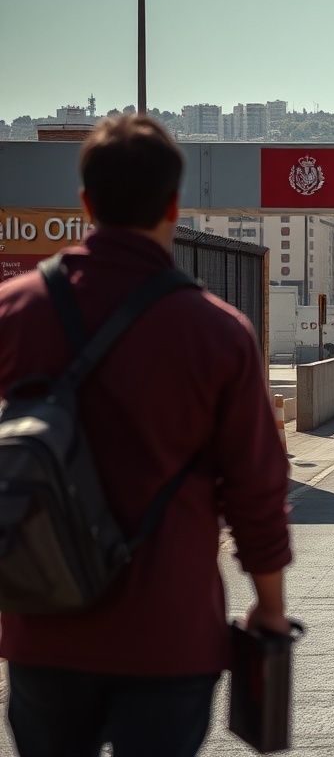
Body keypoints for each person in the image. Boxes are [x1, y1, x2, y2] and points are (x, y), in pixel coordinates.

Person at [0, 114, 292, 756]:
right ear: (173, 206)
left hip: (42, 628)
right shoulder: (217, 331)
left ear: (86, 203)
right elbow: (255, 488)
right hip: (170, 633)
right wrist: (269, 605)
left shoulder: (15, 312)